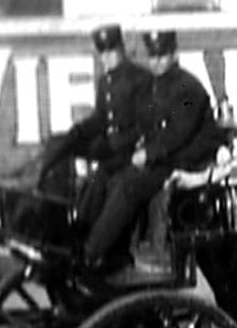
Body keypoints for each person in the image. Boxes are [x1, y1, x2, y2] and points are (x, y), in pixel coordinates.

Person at [81, 29, 226, 281]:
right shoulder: (154, 87)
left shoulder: (188, 86)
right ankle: (101, 246)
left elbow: (179, 134)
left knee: (128, 185)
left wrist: (148, 153)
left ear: (174, 54)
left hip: (187, 159)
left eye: (162, 56)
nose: (156, 62)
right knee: (108, 175)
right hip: (165, 157)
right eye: (153, 56)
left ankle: (92, 252)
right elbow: (144, 125)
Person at [38, 24, 152, 229]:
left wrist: (119, 142)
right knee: (60, 145)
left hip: (129, 149)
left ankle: (83, 226)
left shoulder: (140, 79)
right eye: (103, 53)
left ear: (121, 50)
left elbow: (146, 124)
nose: (106, 58)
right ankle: (49, 205)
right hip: (109, 146)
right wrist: (77, 133)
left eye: (111, 52)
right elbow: (101, 118)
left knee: (99, 178)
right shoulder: (105, 81)